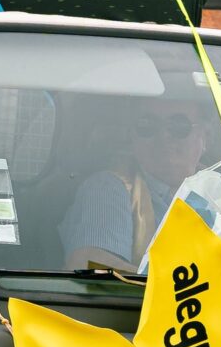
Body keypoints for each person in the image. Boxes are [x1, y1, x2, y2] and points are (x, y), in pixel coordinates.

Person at [58, 107, 209, 273]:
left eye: (178, 126)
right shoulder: (109, 187)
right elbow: (90, 265)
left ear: (204, 136)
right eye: (147, 126)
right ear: (133, 138)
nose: (163, 136)